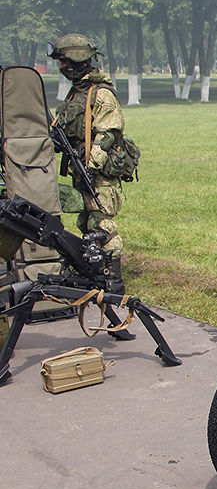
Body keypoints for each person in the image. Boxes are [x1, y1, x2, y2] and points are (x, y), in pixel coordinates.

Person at [48, 33, 131, 294]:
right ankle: (95, 272)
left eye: (63, 63)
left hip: (97, 175)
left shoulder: (101, 94)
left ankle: (113, 281)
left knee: (101, 224)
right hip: (81, 170)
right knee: (86, 224)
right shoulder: (77, 94)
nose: (62, 69)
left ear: (75, 61)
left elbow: (108, 133)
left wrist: (90, 167)